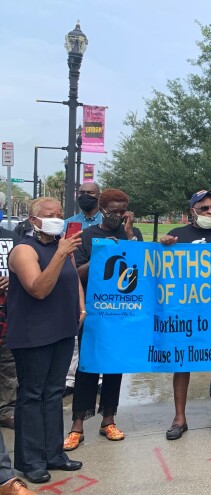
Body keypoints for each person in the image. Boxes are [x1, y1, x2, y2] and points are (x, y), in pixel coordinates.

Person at [6, 197, 85, 484]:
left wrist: (81, 306)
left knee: (53, 393)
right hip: (33, 334)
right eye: (50, 215)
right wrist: (61, 254)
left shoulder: (63, 247)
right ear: (33, 220)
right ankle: (30, 460)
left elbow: (71, 279)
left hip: (63, 330)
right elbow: (39, 288)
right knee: (32, 395)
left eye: (60, 214)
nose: (57, 218)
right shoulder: (24, 250)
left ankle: (54, 454)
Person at [160, 190, 211, 440]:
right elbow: (159, 268)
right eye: (204, 208)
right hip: (186, 314)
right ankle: (179, 418)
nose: (210, 212)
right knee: (182, 363)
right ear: (192, 211)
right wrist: (163, 247)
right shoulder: (178, 235)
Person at [63, 189, 142, 451]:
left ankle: (108, 420)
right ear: (102, 209)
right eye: (114, 211)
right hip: (94, 313)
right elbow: (77, 274)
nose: (118, 216)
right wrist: (104, 253)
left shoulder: (132, 235)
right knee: (87, 368)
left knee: (113, 367)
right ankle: (77, 426)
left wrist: (129, 235)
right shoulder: (87, 236)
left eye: (123, 211)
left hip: (121, 313)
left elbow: (140, 269)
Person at [62, 183, 102, 396]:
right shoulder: (69, 224)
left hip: (103, 285)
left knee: (98, 331)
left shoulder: (106, 222)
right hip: (76, 281)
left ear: (99, 196)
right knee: (75, 330)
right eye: (83, 193)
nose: (86, 196)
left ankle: (99, 378)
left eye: (91, 193)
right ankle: (70, 379)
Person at [0, 216, 21, 430]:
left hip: (8, 315)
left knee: (7, 365)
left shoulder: (13, 238)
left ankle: (6, 410)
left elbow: (25, 270)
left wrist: (11, 281)